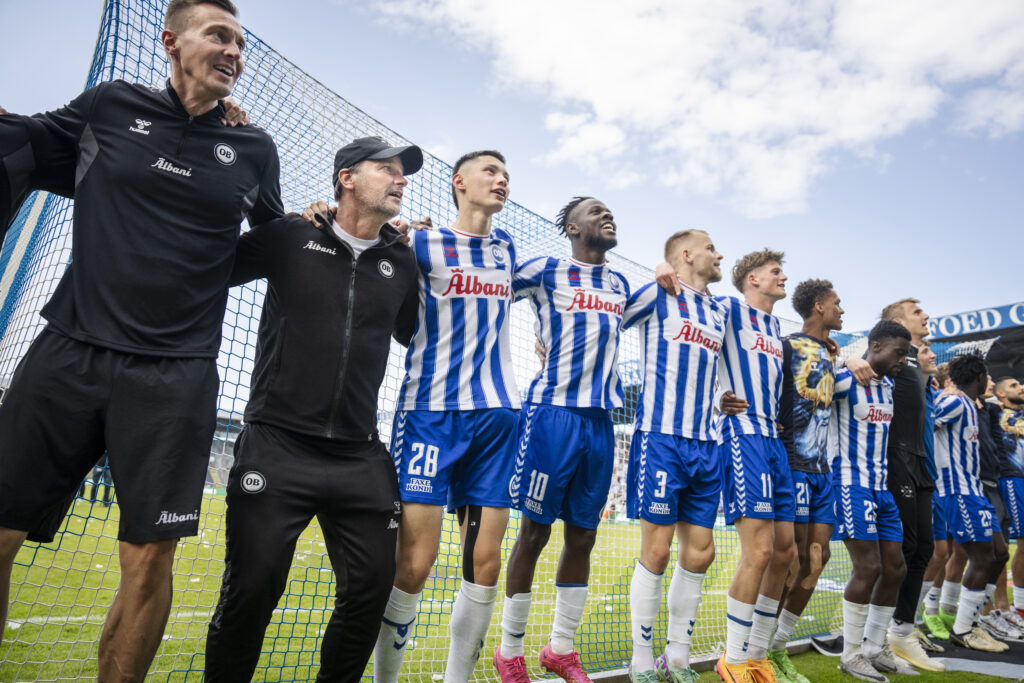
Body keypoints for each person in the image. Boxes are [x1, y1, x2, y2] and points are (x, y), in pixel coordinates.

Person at [0, 1, 283, 679]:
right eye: (219, 35)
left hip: (177, 375)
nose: (234, 51)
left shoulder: (254, 148)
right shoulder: (107, 106)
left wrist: (324, 223)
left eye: (240, 42)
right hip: (68, 349)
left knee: (150, 555)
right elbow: (25, 143)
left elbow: (276, 244)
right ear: (170, 41)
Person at [202, 137, 422, 681]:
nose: (401, 180)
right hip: (278, 446)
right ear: (347, 178)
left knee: (371, 591)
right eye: (386, 169)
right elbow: (209, 266)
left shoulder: (402, 259)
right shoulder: (292, 236)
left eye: (403, 173)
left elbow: (413, 333)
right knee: (251, 591)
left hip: (359, 454)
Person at [372, 150, 518, 682]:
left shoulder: (507, 249)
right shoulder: (419, 241)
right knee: (414, 564)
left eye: (506, 175)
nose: (502, 181)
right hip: (430, 413)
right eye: (491, 172)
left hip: (498, 418)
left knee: (485, 564)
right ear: (460, 183)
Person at [493, 197, 630, 682]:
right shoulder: (546, 268)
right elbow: (490, 289)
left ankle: (560, 650)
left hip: (600, 422)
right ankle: (510, 652)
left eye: (609, 210)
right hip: (551, 414)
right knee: (534, 531)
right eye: (596, 211)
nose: (607, 215)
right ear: (573, 227)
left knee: (585, 535)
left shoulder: (619, 284)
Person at [622, 229, 728, 683]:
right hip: (661, 439)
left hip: (706, 444)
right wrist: (656, 273)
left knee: (701, 554)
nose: (718, 253)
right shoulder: (658, 293)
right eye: (710, 247)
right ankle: (641, 659)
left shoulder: (721, 313)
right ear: (685, 255)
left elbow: (723, 371)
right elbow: (611, 317)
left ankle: (678, 658)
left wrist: (725, 396)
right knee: (658, 550)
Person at [711, 249, 796, 683]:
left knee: (785, 553)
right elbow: (690, 345)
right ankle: (733, 658)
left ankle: (758, 655)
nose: (784, 276)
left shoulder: (777, 328)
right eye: (775, 271)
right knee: (759, 552)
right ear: (751, 280)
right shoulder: (728, 308)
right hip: (741, 435)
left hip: (774, 442)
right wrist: (716, 398)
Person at [847, 298, 942, 671]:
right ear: (895, 322)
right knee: (897, 554)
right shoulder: (892, 359)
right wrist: (851, 360)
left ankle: (899, 630)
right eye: (917, 312)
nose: (926, 316)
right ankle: (881, 636)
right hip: (894, 462)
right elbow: (860, 365)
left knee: (923, 549)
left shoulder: (914, 363)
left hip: (919, 462)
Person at [767, 279, 843, 683]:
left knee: (819, 559)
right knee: (790, 560)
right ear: (818, 306)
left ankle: (778, 646)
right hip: (792, 464)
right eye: (836, 303)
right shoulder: (787, 346)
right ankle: (756, 647)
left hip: (822, 471)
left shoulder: (832, 354)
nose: (841, 309)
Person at [831, 320, 912, 683]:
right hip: (850, 484)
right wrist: (845, 360)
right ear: (876, 346)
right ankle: (849, 655)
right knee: (868, 568)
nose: (903, 360)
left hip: (882, 489)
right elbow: (809, 388)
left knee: (896, 568)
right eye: (899, 353)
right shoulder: (845, 381)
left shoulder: (890, 385)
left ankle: (873, 647)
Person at [933, 353, 1011, 652]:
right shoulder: (952, 402)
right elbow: (925, 427)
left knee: (999, 552)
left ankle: (972, 620)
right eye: (987, 376)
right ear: (979, 377)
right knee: (981, 556)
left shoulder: (968, 404)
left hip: (974, 490)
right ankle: (963, 629)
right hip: (957, 491)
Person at [994, 376, 1024, 623]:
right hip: (1011, 480)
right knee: (1015, 544)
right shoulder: (996, 414)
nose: (1021, 388)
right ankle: (1015, 607)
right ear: (1001, 395)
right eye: (1014, 386)